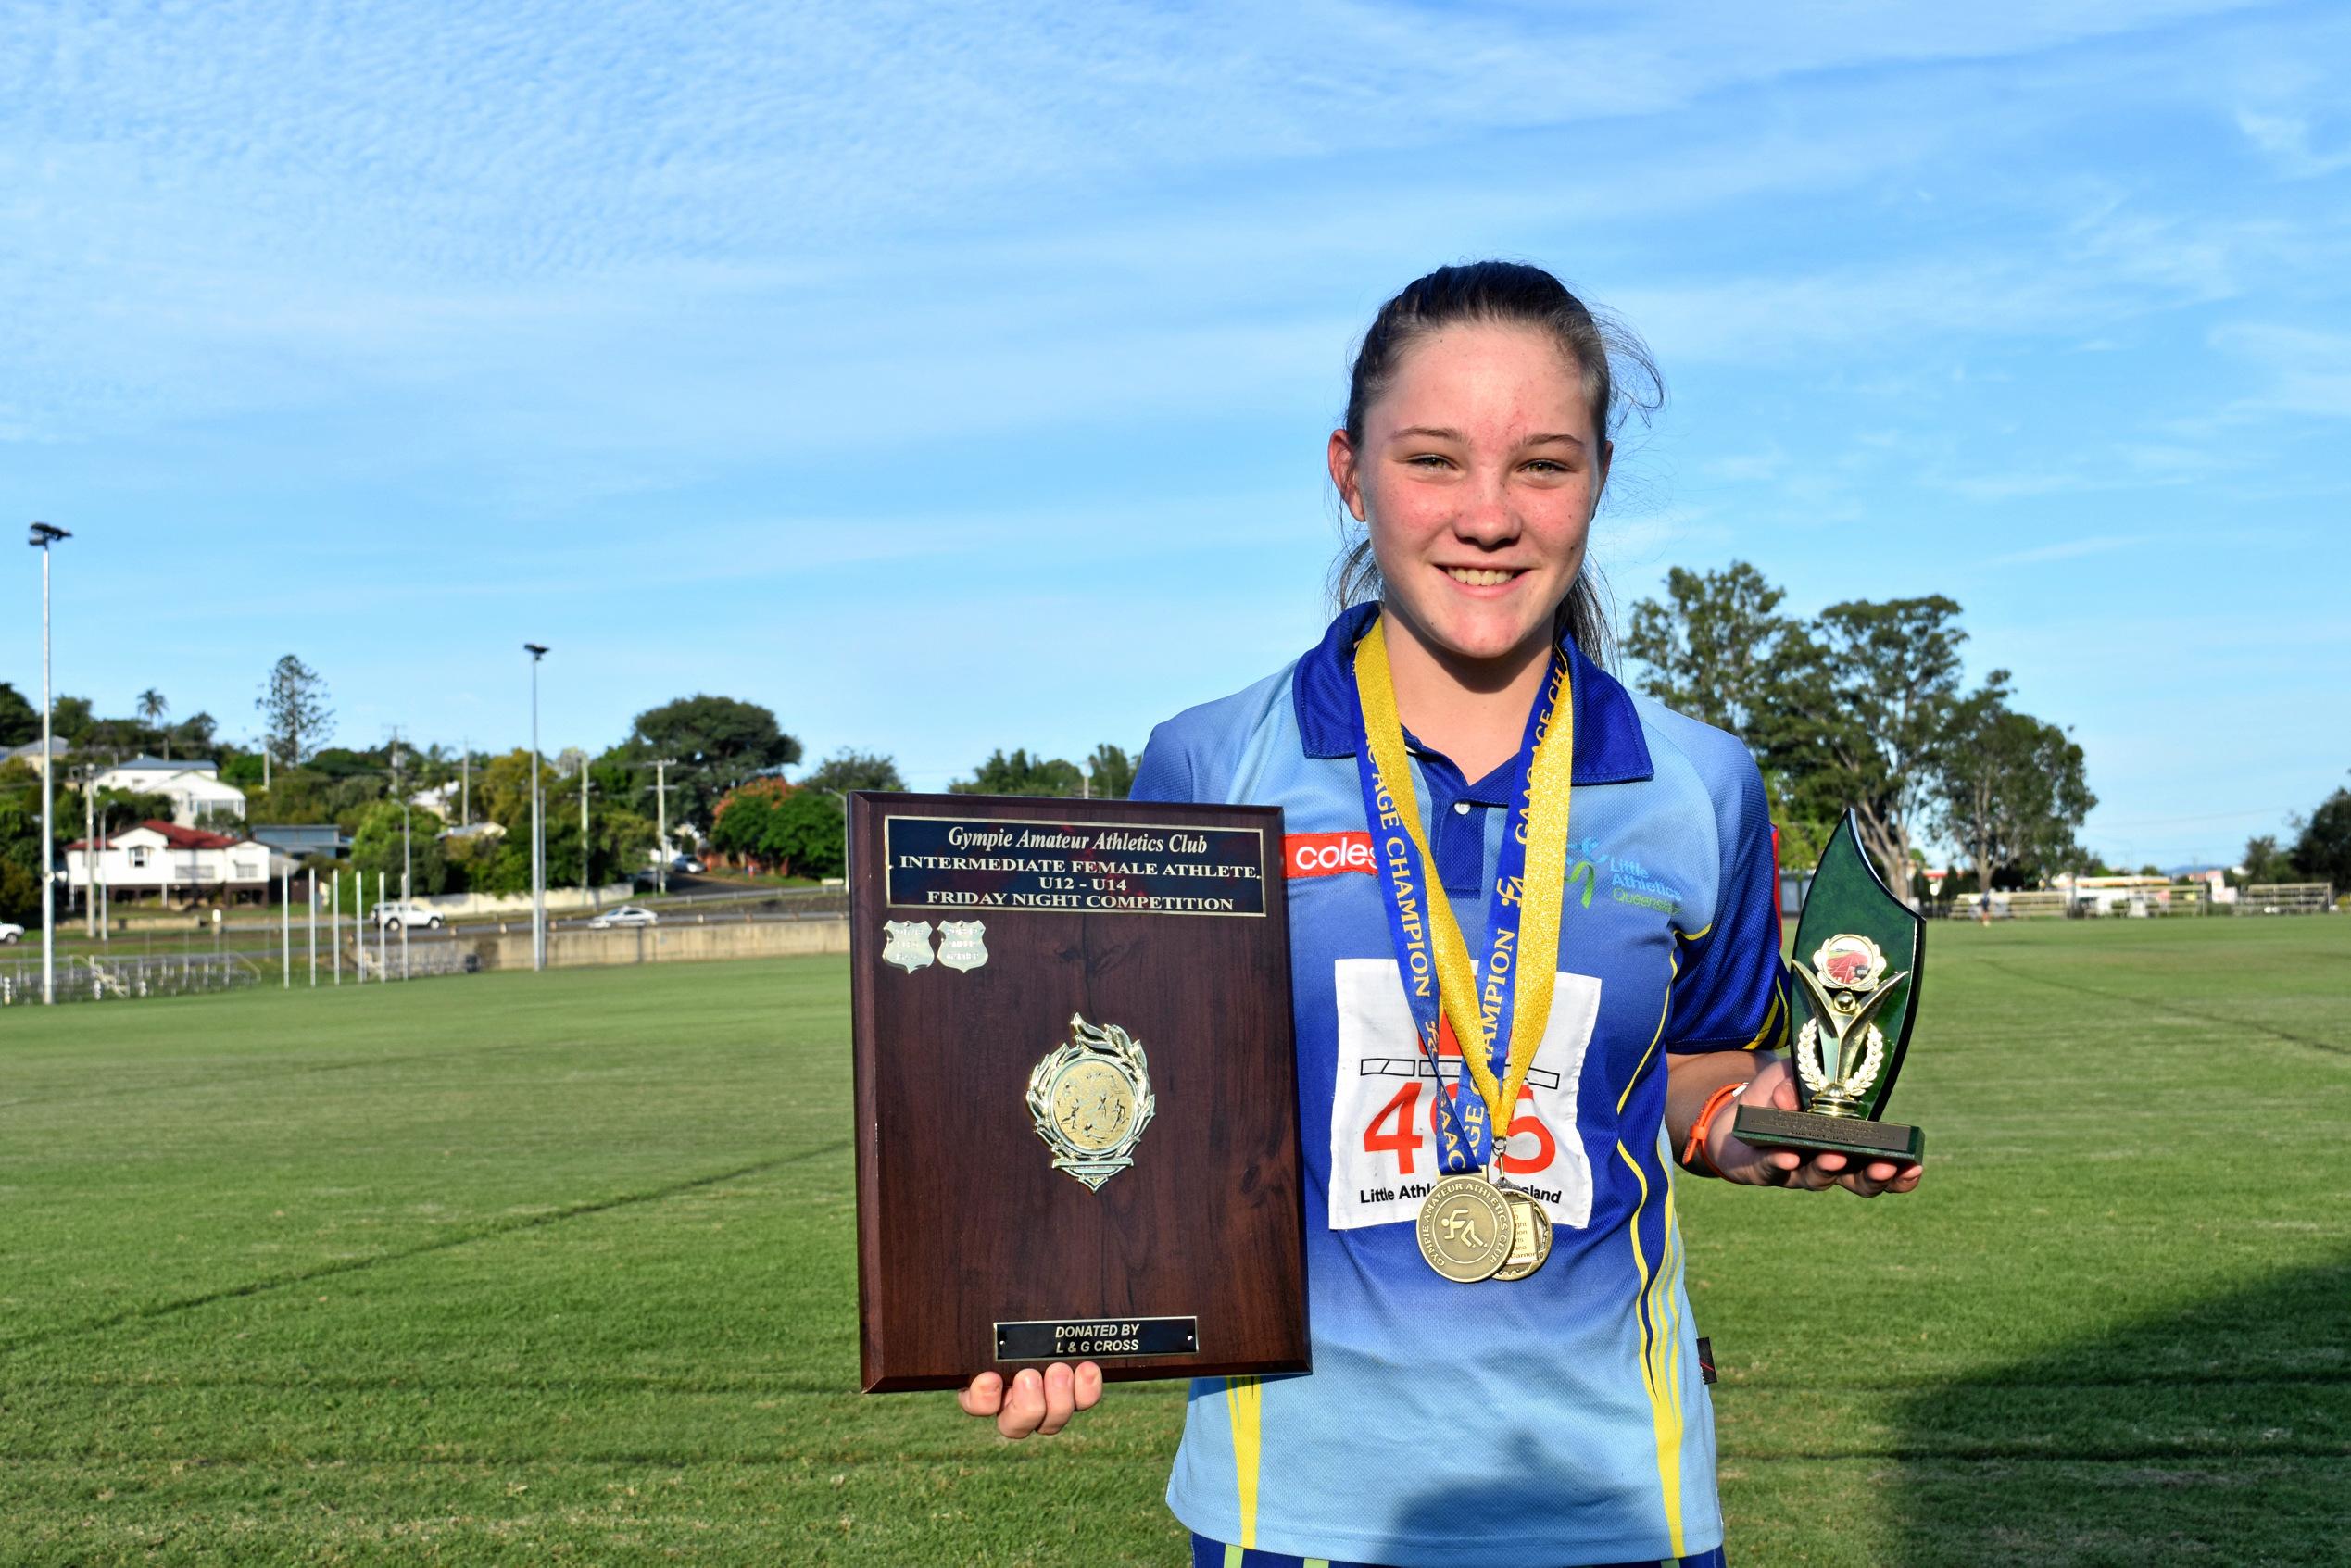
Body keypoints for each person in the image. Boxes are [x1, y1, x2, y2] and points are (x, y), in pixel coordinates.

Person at [960, 261, 1924, 1568]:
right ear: (1350, 475)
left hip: (1618, 1500)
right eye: (1432, 460)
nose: (1488, 515)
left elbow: (1693, 1064)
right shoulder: (1210, 765)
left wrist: (1753, 1123)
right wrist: (1043, 1290)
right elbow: (1125, 1090)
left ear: (1594, 479)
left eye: (1541, 464)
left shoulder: (1699, 784)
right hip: (1295, 1505)